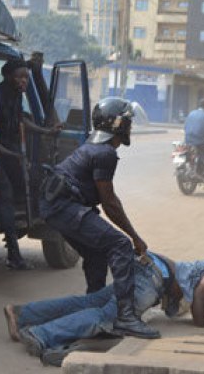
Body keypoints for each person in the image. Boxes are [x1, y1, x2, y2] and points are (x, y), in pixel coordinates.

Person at [38, 97, 158, 339]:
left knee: (96, 253)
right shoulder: (104, 153)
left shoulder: (93, 147)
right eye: (128, 122)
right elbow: (109, 202)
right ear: (117, 125)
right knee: (120, 245)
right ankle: (126, 317)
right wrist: (135, 237)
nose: (130, 126)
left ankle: (94, 315)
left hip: (56, 207)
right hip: (64, 206)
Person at [3, 252, 204, 364]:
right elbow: (200, 296)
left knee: (90, 302)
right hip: (153, 279)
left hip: (146, 266)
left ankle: (23, 314)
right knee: (107, 317)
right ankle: (40, 334)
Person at [0, 58, 60, 270]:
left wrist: (47, 131)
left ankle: (20, 227)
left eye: (27, 78)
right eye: (20, 77)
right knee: (6, 197)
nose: (24, 82)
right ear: (7, 76)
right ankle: (13, 254)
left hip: (11, 153)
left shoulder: (15, 96)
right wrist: (15, 156)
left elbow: (22, 121)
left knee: (33, 182)